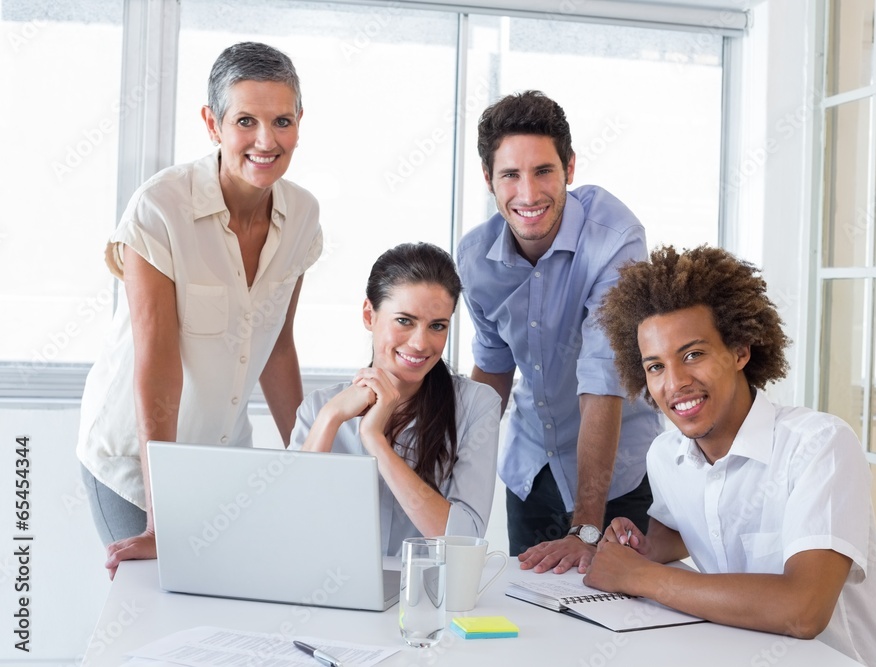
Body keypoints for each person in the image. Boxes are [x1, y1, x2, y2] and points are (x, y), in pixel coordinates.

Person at [77, 42, 323, 578]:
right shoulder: (159, 208)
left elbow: (277, 345)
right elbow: (158, 365)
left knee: (224, 607)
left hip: (221, 454)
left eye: (282, 120)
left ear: (300, 121)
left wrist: (312, 468)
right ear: (212, 123)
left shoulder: (303, 214)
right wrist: (161, 518)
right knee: (151, 602)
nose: (266, 140)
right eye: (245, 121)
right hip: (134, 462)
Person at [585, 245, 876, 666]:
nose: (675, 384)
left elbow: (803, 611)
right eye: (655, 366)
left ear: (740, 352)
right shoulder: (666, 454)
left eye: (693, 355)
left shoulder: (819, 446)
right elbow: (693, 526)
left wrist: (641, 576)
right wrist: (638, 548)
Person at [456, 90, 661, 570]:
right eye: (510, 174)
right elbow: (492, 371)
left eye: (543, 171)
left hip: (620, 483)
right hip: (531, 473)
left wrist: (586, 527)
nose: (528, 194)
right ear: (489, 179)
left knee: (618, 622)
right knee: (531, 619)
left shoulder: (615, 238)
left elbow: (602, 380)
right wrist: (456, 480)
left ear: (569, 167)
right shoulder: (474, 259)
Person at [290, 243, 501, 555]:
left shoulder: (476, 405)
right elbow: (289, 527)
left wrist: (375, 440)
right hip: (332, 594)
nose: (420, 343)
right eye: (404, 320)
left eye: (437, 326)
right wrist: (330, 419)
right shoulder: (321, 408)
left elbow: (463, 543)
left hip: (427, 597)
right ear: (368, 315)